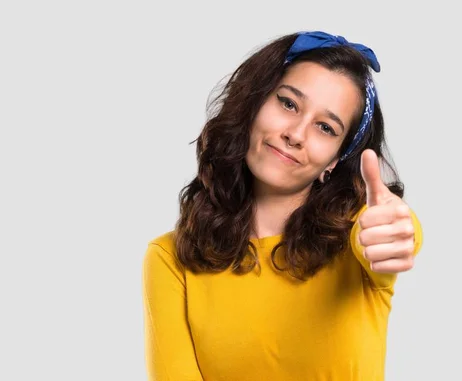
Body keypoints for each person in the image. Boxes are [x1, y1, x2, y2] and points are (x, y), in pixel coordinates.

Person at [142, 30, 424, 381]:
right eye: (288, 103)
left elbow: (389, 235)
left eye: (325, 127)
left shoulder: (360, 235)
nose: (296, 133)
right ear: (253, 104)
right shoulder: (170, 258)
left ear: (336, 160)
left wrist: (395, 233)